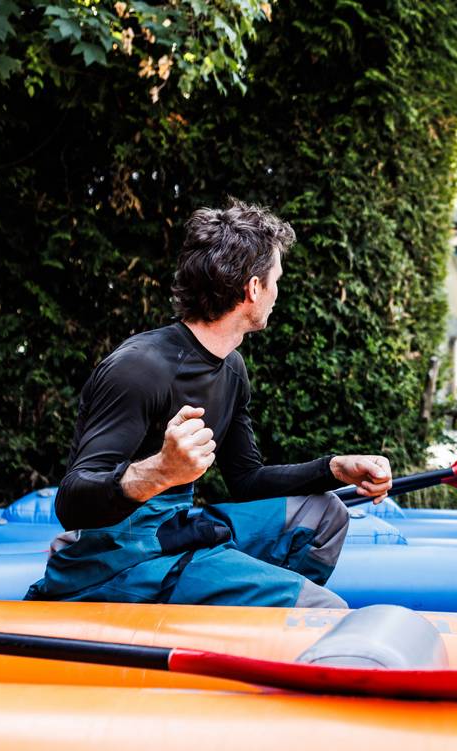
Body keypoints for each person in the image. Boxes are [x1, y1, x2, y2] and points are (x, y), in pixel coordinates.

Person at [25, 201, 392, 608]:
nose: (277, 292)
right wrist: (159, 471)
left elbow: (247, 480)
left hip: (172, 531)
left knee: (324, 515)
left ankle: (245, 610)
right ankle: (267, 607)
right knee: (322, 609)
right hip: (111, 562)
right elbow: (72, 503)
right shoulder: (139, 367)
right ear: (254, 288)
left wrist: (333, 468)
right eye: (276, 280)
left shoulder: (231, 369)